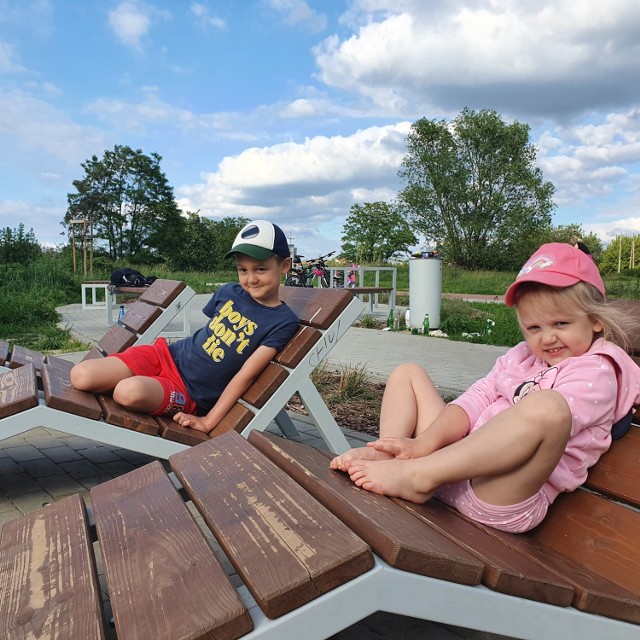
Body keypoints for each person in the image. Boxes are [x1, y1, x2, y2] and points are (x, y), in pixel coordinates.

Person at [331, 243, 640, 533]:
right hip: (451, 467)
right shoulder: (522, 356)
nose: (546, 338)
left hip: (501, 493)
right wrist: (421, 445)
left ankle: (416, 476)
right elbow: (475, 399)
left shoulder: (598, 371)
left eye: (560, 324)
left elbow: (545, 426)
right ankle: (392, 454)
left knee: (550, 407)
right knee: (407, 374)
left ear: (596, 320)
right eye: (534, 327)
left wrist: (428, 462)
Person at [70, 220, 299, 434]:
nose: (251, 279)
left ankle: (138, 385)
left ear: (284, 265)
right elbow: (207, 334)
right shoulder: (228, 292)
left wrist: (209, 421)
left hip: (189, 392)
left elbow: (246, 375)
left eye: (260, 269)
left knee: (127, 392)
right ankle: (129, 380)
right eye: (242, 269)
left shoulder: (281, 321)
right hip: (164, 356)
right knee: (81, 375)